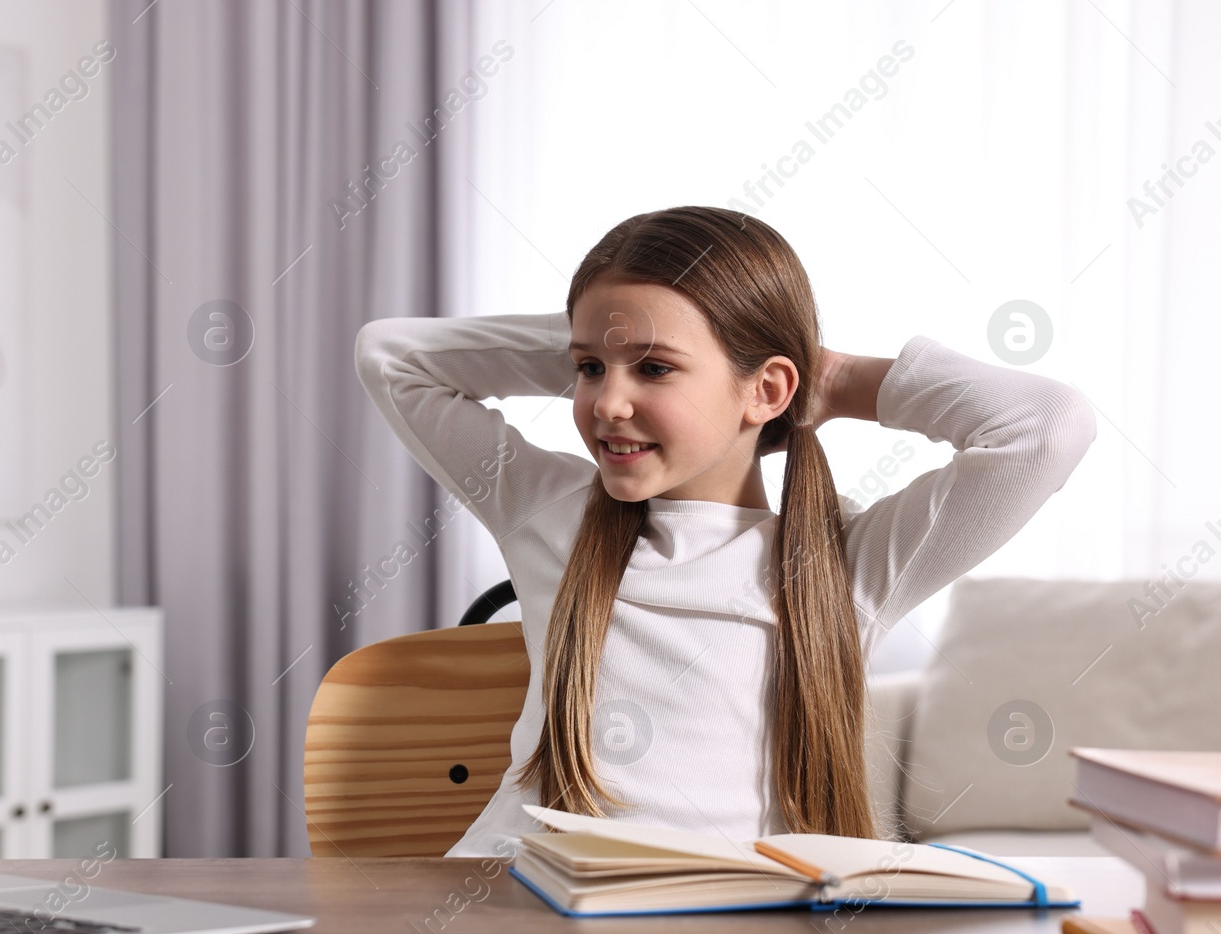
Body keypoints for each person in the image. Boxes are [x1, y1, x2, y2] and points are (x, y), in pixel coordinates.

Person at [353, 206, 1096, 858]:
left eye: (653, 367)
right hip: (520, 903)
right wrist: (612, 327)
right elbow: (391, 356)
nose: (607, 402)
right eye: (587, 369)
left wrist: (834, 379)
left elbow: (1048, 427)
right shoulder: (549, 510)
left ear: (768, 388)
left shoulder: (848, 565)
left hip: (721, 933)